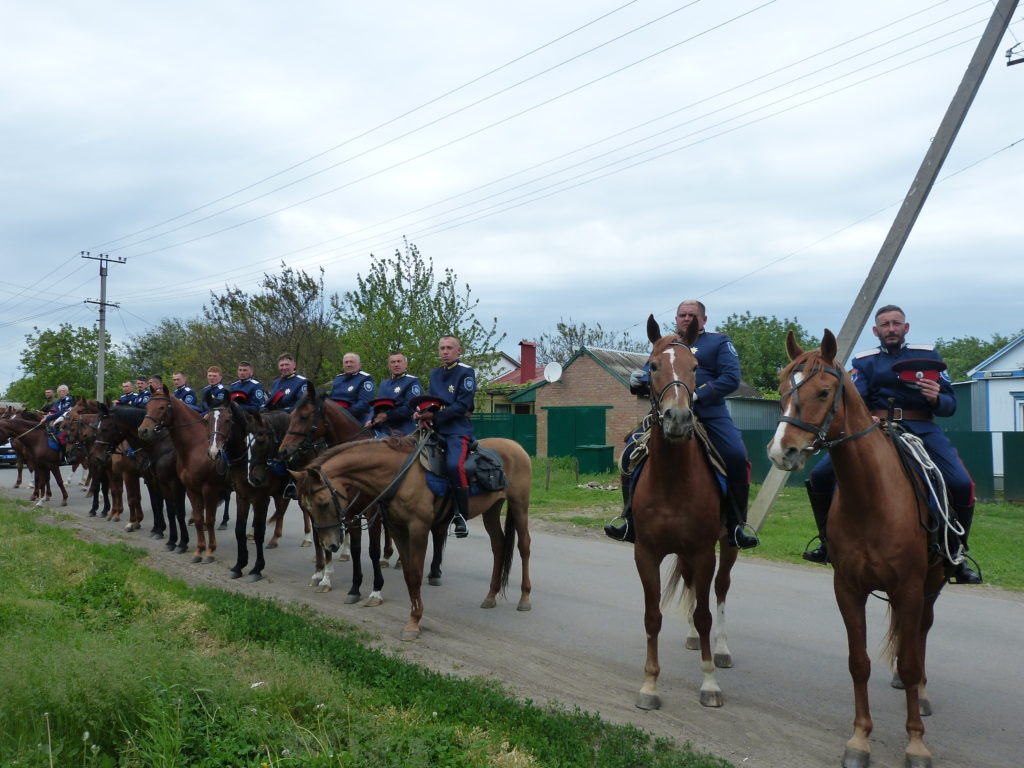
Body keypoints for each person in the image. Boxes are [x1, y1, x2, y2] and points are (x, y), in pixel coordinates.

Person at [804, 304, 982, 584]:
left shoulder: (928, 357)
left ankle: (956, 554)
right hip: (876, 429)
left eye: (895, 323)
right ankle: (828, 543)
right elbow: (855, 400)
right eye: (884, 325)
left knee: (960, 483)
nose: (890, 329)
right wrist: (868, 419)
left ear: (905, 328)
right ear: (876, 331)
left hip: (922, 428)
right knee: (820, 475)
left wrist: (937, 397)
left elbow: (950, 406)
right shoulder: (865, 362)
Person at [605, 300, 759, 549]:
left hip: (709, 414)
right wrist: (636, 381)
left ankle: (737, 524)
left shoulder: (719, 342)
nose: (687, 319)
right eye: (682, 315)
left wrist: (698, 394)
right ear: (676, 319)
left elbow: (731, 378)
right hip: (666, 413)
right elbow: (650, 376)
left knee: (737, 455)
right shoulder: (665, 345)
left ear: (703, 320)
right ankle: (629, 519)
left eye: (692, 315)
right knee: (629, 453)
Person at [413, 335, 475, 538]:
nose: (445, 351)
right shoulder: (434, 374)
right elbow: (432, 402)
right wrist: (421, 414)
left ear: (459, 350)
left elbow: (463, 405)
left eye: (449, 348)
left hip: (457, 430)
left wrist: (435, 415)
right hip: (435, 429)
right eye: (442, 348)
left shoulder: (466, 372)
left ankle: (461, 516)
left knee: (453, 465)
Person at [370, 352, 422, 436]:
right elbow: (377, 406)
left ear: (406, 364)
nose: (396, 364)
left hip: (403, 430)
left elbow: (410, 408)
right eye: (393, 362)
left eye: (399, 361)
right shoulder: (383, 384)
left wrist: (387, 415)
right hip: (382, 428)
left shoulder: (412, 381)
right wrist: (372, 419)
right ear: (388, 366)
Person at [329, 353, 374, 423]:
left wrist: (342, 415)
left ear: (359, 364)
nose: (348, 365)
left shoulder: (365, 378)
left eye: (351, 362)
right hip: (334, 417)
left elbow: (363, 404)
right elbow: (331, 399)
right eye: (346, 362)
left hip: (354, 419)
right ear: (343, 365)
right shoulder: (338, 378)